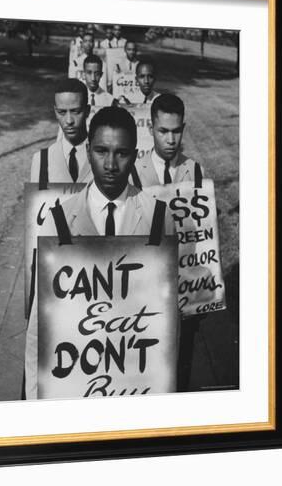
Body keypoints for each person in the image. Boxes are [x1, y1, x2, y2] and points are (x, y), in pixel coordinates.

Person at [25, 107, 175, 398]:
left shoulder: (160, 217)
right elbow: (37, 331)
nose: (110, 164)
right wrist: (35, 403)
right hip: (74, 381)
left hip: (134, 382)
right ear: (87, 150)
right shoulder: (58, 220)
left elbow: (166, 324)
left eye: (121, 153)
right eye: (101, 151)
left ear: (134, 155)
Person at [30, 79, 93, 183]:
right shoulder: (41, 160)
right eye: (62, 112)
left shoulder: (105, 156)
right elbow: (37, 199)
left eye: (75, 111)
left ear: (87, 111)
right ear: (55, 112)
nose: (69, 121)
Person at [134, 93, 205, 187]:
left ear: (182, 128)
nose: (171, 140)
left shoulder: (196, 171)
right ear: (151, 129)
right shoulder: (134, 173)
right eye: (163, 131)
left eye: (176, 131)